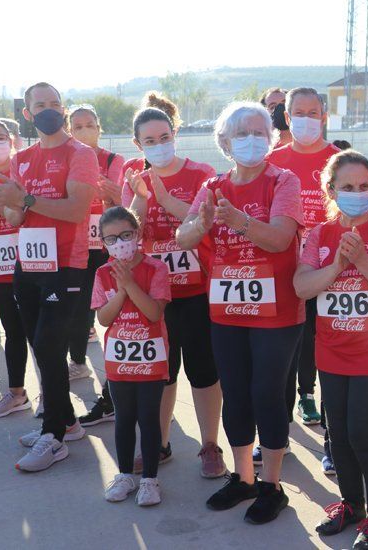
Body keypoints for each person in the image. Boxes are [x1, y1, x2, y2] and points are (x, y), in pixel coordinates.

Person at [177, 101, 304, 525]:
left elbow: (282, 239)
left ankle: (272, 485)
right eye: (243, 134)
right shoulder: (213, 186)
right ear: (226, 142)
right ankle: (243, 477)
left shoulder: (283, 180)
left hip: (276, 312)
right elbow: (184, 235)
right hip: (228, 308)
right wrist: (204, 223)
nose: (253, 140)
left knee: (266, 393)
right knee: (235, 393)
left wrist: (237, 221)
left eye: (260, 132)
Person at [295, 150, 368, 550]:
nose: (358, 193)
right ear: (331, 190)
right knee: (339, 434)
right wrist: (337, 266)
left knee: (363, 431)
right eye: (348, 187)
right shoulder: (318, 235)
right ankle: (351, 505)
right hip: (333, 349)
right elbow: (302, 287)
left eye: (364, 186)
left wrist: (360, 258)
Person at [0, 82, 99, 472]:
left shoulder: (80, 154)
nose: (50, 110)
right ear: (28, 113)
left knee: (49, 345)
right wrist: (7, 206)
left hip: (66, 264)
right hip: (28, 263)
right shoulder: (23, 158)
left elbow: (76, 210)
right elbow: (18, 218)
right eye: (41, 105)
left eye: (56, 103)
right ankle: (66, 423)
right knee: (41, 346)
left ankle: (53, 436)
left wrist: (27, 201)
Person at [121, 106, 226, 479]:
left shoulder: (201, 174)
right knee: (161, 374)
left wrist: (165, 200)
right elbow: (126, 233)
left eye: (164, 138)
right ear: (138, 144)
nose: (158, 146)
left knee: (203, 371)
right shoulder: (133, 175)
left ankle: (210, 445)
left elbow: (207, 225)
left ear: (175, 134)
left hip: (197, 292)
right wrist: (141, 199)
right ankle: (159, 443)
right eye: (149, 141)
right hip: (154, 295)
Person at [266, 87, 337, 433]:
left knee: (327, 351)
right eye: (299, 113)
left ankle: (330, 434)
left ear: (324, 117)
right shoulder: (272, 161)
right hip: (283, 272)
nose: (306, 120)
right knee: (282, 355)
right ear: (287, 117)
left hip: (329, 272)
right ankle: (278, 433)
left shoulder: (339, 159)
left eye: (313, 113)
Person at [93, 206, 170, 506]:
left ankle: (150, 480)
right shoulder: (102, 273)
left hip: (151, 359)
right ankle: (125, 475)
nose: (120, 243)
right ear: (103, 242)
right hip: (119, 360)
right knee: (124, 418)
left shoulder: (156, 268)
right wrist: (121, 290)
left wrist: (128, 284)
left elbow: (154, 312)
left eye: (125, 235)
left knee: (149, 417)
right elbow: (103, 318)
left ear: (137, 234)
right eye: (111, 239)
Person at [66, 105, 124, 391]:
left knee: (114, 304)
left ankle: (124, 364)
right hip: (77, 244)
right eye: (78, 126)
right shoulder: (68, 158)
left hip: (107, 244)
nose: (84, 130)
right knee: (79, 307)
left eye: (90, 124)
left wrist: (110, 192)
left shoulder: (113, 159)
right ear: (69, 130)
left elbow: (118, 196)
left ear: (99, 128)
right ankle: (77, 362)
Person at [0, 119, 30, 417]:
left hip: (33, 263)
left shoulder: (24, 171)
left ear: (11, 140)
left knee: (43, 333)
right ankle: (16, 392)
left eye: (0, 137)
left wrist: (8, 206)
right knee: (12, 330)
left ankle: (57, 399)